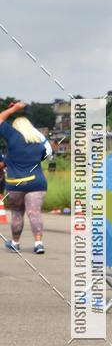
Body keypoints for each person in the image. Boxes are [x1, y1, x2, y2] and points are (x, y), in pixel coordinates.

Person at [0, 101, 52, 254]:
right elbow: (47, 155)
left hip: (15, 183)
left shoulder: (12, 136)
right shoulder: (39, 144)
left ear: (15, 128)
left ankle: (15, 243)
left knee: (17, 213)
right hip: (37, 182)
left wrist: (14, 109)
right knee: (34, 212)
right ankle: (38, 243)